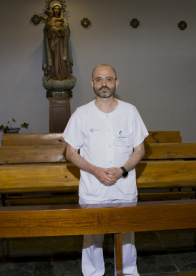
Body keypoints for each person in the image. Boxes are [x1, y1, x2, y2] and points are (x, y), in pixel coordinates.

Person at [63, 64, 148, 276]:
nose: (104, 83)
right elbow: (70, 153)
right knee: (91, 237)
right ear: (92, 83)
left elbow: (140, 150)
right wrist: (94, 170)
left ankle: (127, 273)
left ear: (116, 83)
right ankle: (93, 274)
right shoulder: (82, 114)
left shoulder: (130, 111)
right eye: (99, 79)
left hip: (124, 187)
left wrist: (122, 170)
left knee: (127, 236)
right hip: (93, 188)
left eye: (109, 79)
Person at [42, 4, 73, 81]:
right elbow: (46, 30)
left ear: (60, 10)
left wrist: (62, 30)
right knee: (53, 57)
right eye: (55, 9)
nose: (56, 10)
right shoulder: (49, 20)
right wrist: (52, 29)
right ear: (52, 10)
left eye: (58, 9)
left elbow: (67, 30)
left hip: (61, 41)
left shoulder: (63, 20)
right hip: (52, 42)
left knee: (61, 57)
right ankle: (53, 74)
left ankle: (62, 73)